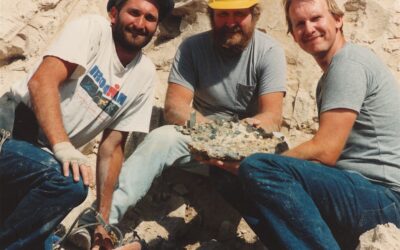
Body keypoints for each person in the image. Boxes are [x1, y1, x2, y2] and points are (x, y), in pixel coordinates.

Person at [206, 0, 400, 249]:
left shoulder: (349, 62)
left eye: (316, 18)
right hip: (358, 193)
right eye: (300, 23)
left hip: (383, 198)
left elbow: (325, 151)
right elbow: (321, 161)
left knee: (258, 167)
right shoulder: (330, 77)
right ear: (294, 36)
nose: (309, 28)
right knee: (231, 175)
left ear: (338, 20)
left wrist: (259, 164)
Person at [99, 0, 286, 239]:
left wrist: (239, 138)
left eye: (239, 14)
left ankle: (281, 238)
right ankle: (103, 218)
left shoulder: (269, 52)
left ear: (254, 15)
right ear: (211, 15)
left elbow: (272, 116)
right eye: (223, 14)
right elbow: (175, 107)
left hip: (245, 149)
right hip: (200, 142)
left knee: (281, 150)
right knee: (161, 138)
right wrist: (215, 136)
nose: (230, 22)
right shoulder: (192, 48)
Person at [0, 0, 174, 249]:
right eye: (133, 13)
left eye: (150, 18)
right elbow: (42, 82)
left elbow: (112, 148)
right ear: (114, 14)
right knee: (69, 184)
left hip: (44, 162)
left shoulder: (144, 74)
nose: (140, 24)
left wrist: (102, 220)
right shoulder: (93, 29)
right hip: (10, 133)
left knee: (48, 236)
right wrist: (62, 146)